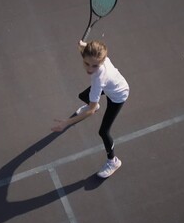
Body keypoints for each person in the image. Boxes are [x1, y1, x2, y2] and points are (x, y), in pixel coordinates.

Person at [52, 40, 130, 178]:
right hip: (111, 85)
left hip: (118, 95)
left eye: (95, 66)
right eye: (87, 63)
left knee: (103, 132)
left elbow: (90, 111)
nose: (89, 69)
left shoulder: (98, 79)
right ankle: (96, 103)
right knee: (83, 96)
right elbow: (89, 51)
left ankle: (113, 161)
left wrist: (66, 123)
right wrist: (83, 45)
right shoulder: (99, 56)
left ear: (102, 61)